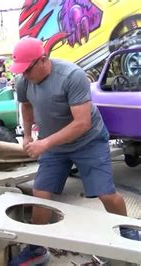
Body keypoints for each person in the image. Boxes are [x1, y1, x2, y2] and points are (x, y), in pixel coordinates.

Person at [8, 37, 139, 266]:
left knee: (105, 193)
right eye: (21, 72)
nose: (24, 76)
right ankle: (37, 248)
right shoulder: (25, 80)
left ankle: (127, 234)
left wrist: (44, 144)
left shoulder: (71, 76)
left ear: (43, 61)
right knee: (41, 193)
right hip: (54, 144)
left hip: (88, 141)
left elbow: (82, 123)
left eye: (27, 70)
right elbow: (26, 105)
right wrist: (28, 135)